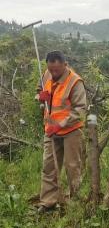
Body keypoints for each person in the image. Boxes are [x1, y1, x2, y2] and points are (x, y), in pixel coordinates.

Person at [36, 51, 87, 213]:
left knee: (72, 167)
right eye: (51, 70)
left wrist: (61, 124)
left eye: (57, 70)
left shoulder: (75, 82)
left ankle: (75, 202)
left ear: (65, 65)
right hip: (50, 130)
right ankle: (48, 202)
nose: (53, 73)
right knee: (48, 166)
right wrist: (40, 97)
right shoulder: (46, 74)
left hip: (71, 130)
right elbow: (39, 90)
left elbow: (80, 110)